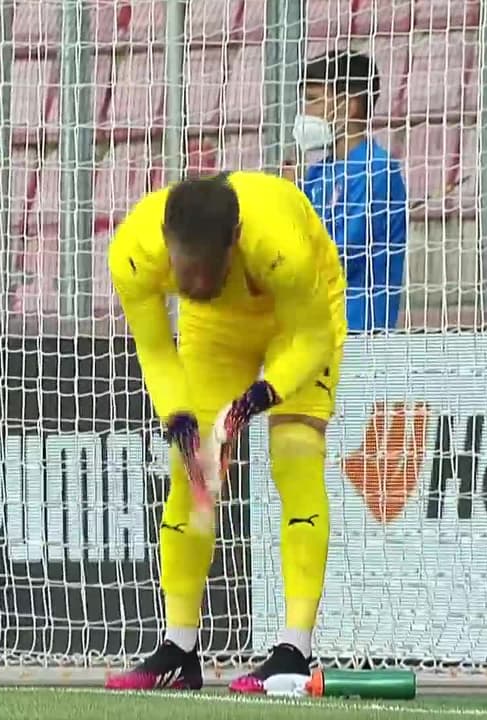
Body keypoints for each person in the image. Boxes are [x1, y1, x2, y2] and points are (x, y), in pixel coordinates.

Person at [103, 171, 346, 693]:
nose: (192, 283)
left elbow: (313, 338)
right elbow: (155, 350)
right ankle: (178, 649)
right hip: (215, 328)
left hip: (298, 320)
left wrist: (260, 396)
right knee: (192, 472)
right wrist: (177, 416)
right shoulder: (133, 252)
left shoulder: (280, 246)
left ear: (235, 239)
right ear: (166, 240)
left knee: (296, 454)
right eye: (183, 271)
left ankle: (294, 651)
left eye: (206, 270)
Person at [287, 50, 408, 332]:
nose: (305, 114)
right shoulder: (317, 173)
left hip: (359, 330)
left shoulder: (376, 170)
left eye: (313, 100)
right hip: (313, 328)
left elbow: (341, 254)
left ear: (348, 106)